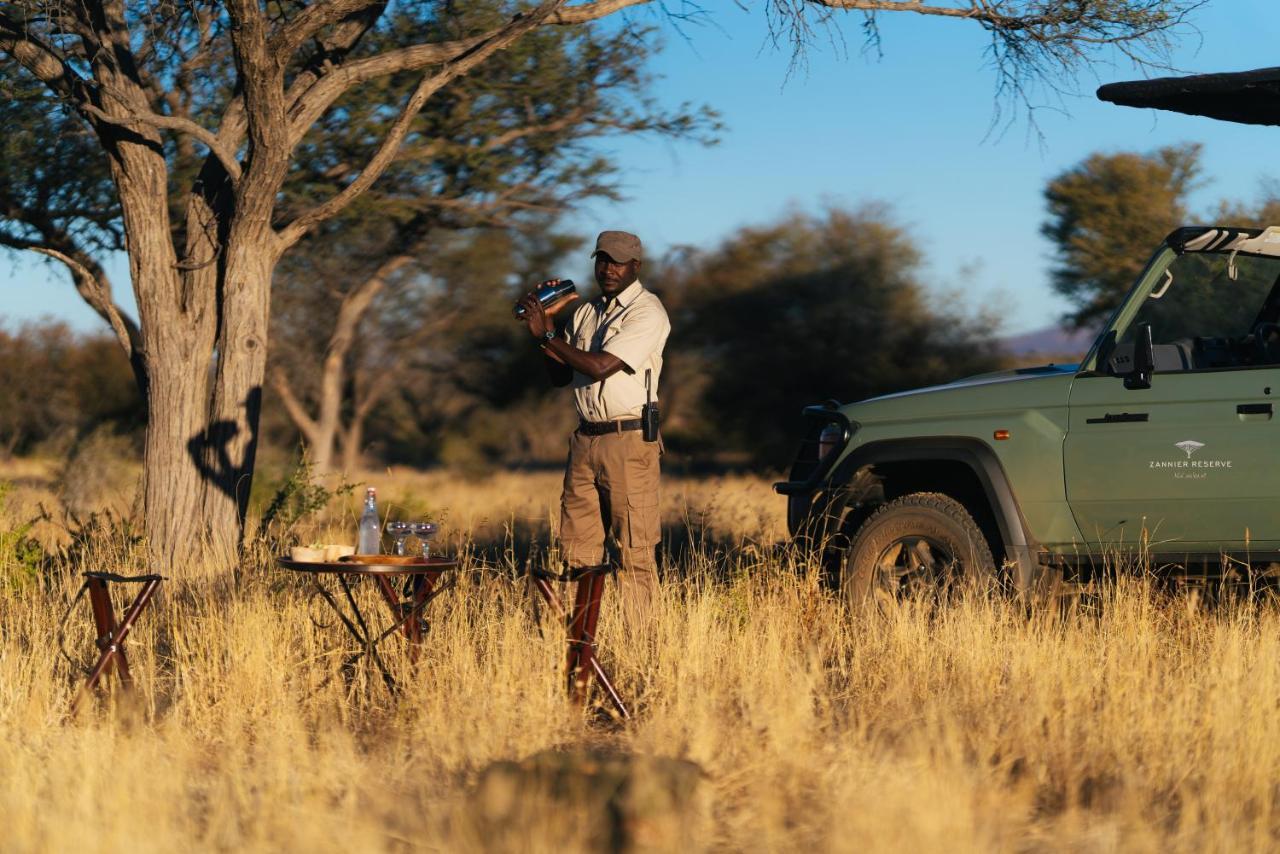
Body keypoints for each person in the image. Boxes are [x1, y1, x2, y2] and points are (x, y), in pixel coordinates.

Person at [517, 230, 671, 623]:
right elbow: (560, 376)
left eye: (618, 261)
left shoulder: (647, 311)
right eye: (602, 260)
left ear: (636, 265)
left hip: (629, 439)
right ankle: (583, 640)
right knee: (577, 550)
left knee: (634, 552)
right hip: (585, 439)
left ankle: (642, 645)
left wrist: (549, 333)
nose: (608, 268)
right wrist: (545, 327)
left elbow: (600, 366)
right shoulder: (586, 312)